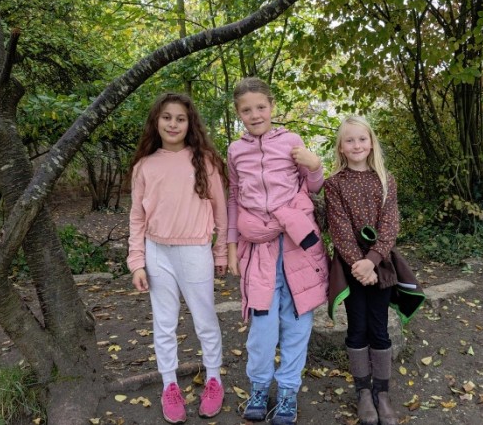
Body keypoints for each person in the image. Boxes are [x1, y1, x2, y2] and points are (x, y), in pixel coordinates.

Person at [227, 77, 329, 425]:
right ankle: (259, 387)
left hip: (298, 245)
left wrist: (314, 165)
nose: (255, 114)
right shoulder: (235, 151)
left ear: (272, 106)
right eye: (247, 110)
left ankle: (287, 392)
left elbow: (313, 187)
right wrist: (230, 248)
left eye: (261, 107)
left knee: (297, 321)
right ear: (239, 113)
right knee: (262, 327)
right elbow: (233, 199)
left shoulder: (291, 141)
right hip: (258, 248)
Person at [127, 93, 227, 424]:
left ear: (189, 123)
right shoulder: (144, 165)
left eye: (180, 118)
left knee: (205, 319)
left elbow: (221, 212)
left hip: (195, 251)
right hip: (157, 253)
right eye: (167, 117)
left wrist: (220, 250)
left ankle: (214, 379)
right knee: (164, 323)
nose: (173, 124)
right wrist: (136, 262)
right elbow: (137, 218)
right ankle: (169, 385)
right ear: (156, 122)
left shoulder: (206, 161)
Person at [323, 115, 400, 425]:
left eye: (362, 139)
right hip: (350, 267)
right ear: (341, 147)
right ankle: (363, 392)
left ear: (371, 143)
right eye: (350, 140)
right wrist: (359, 264)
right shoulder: (334, 183)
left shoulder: (385, 179)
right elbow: (339, 228)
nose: (356, 145)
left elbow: (390, 223)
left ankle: (382, 392)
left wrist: (373, 260)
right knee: (357, 328)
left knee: (379, 328)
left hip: (380, 265)